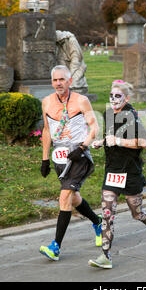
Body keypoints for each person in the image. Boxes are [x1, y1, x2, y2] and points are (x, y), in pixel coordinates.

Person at [87, 80, 146, 269]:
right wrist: (102, 142)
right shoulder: (109, 114)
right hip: (113, 172)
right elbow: (112, 137)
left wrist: (117, 141)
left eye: (118, 96)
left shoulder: (132, 116)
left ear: (126, 98)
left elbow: (143, 143)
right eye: (111, 95)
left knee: (137, 213)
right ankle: (105, 256)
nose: (114, 99)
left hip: (130, 173)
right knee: (107, 214)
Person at [39, 65, 102, 261]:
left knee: (65, 196)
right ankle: (98, 221)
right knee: (73, 198)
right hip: (60, 156)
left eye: (62, 80)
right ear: (52, 82)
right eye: (55, 80)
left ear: (70, 82)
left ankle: (55, 246)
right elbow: (47, 131)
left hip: (79, 154)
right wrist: (45, 159)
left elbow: (95, 128)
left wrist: (82, 148)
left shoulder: (81, 101)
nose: (58, 83)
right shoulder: (46, 102)